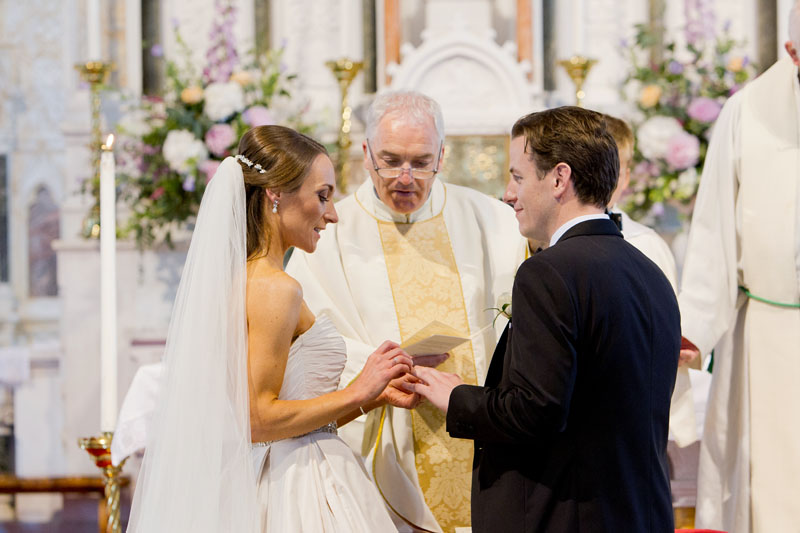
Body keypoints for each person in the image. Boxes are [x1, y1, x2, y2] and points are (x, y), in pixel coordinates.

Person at [127, 125, 423, 532]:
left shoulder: (246, 277)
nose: (332, 214)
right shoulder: (275, 288)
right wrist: (358, 390)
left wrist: (372, 396)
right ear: (276, 194)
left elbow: (289, 417)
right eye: (323, 196)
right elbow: (258, 420)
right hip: (296, 487)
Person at [407, 107, 680, 532]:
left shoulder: (549, 272)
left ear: (558, 178)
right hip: (638, 515)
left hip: (566, 517)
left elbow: (535, 411)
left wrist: (458, 398)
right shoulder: (649, 271)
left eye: (518, 177)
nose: (508, 194)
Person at [285, 91, 526, 532]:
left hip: (480, 435)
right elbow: (305, 347)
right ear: (366, 153)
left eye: (421, 162)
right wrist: (385, 364)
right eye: (390, 161)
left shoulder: (493, 221)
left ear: (442, 156)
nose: (406, 177)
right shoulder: (327, 234)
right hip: (379, 438)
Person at [677, 4, 800, 531]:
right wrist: (694, 328)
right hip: (769, 335)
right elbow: (713, 231)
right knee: (773, 487)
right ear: (792, 52)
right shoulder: (748, 112)